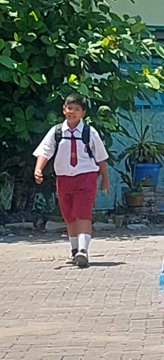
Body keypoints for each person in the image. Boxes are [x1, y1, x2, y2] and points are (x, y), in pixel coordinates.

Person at [33, 93, 110, 268]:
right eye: (69, 108)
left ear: (83, 112)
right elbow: (45, 151)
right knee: (69, 215)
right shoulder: (57, 132)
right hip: (64, 178)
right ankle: (75, 250)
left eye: (76, 109)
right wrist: (38, 169)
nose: (72, 112)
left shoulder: (90, 132)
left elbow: (100, 158)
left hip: (86, 177)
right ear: (63, 110)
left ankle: (83, 250)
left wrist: (105, 179)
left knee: (82, 213)